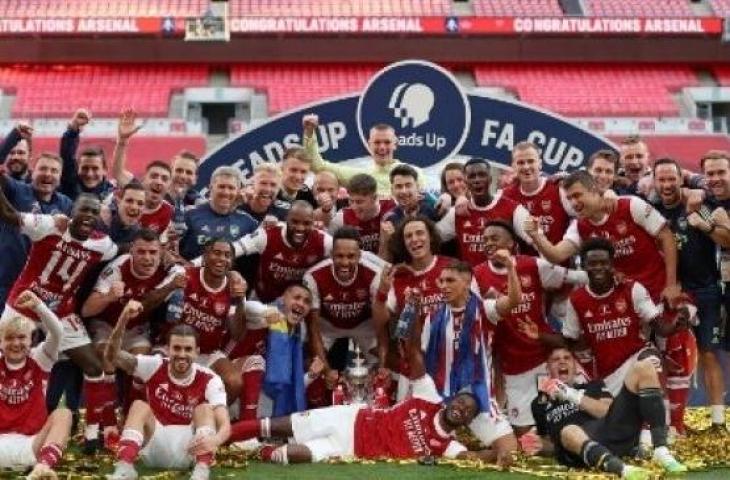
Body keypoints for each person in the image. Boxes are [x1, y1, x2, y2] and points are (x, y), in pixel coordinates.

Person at [227, 289, 509, 466]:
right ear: (451, 401)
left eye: (468, 411)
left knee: (294, 456)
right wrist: (414, 317)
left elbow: (471, 458)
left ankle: (259, 452)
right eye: (461, 402)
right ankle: (221, 440)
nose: (461, 408)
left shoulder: (448, 446)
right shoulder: (430, 398)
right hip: (352, 417)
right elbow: (414, 356)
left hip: (353, 447)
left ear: (468, 421)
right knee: (275, 425)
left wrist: (496, 455)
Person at [0, 191, 119, 451]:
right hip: (25, 303)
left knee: (93, 365)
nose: (87, 216)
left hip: (61, 311)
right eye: (83, 210)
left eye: (93, 211)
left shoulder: (104, 245)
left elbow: (121, 248)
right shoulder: (49, 225)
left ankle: (91, 436)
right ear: (71, 213)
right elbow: (9, 215)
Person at [473, 220, 587, 432]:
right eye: (485, 240)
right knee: (524, 433)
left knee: (573, 417)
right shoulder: (477, 275)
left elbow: (572, 278)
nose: (488, 243)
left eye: (494, 238)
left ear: (511, 243)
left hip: (546, 357)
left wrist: (610, 275)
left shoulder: (532, 265)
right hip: (513, 365)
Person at [652, 157, 730, 432]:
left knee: (709, 353)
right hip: (668, 294)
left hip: (705, 290)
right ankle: (668, 423)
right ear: (654, 182)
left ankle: (718, 422)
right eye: (661, 179)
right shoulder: (650, 210)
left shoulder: (699, 205)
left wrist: (704, 224)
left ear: (680, 179)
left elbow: (726, 238)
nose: (667, 184)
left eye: (671, 178)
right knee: (666, 359)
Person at [105, 311, 230, 480]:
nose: (182, 354)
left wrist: (216, 440)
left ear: (197, 352)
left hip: (189, 450)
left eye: (188, 349)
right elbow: (112, 356)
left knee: (205, 408)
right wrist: (123, 319)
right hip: (152, 446)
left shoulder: (209, 378)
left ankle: (201, 472)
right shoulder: (154, 365)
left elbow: (225, 424)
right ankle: (125, 468)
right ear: (167, 349)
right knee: (139, 406)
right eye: (177, 348)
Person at [526, 170, 681, 305]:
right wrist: (536, 235)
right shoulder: (580, 226)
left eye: (577, 195)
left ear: (594, 190)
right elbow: (556, 255)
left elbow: (666, 237)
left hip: (660, 291)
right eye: (569, 198)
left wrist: (672, 285)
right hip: (627, 301)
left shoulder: (630, 205)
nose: (574, 203)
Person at [530, 347, 686, 478]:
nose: (562, 361)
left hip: (610, 431)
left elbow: (606, 411)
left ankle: (661, 450)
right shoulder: (538, 404)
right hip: (578, 452)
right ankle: (622, 469)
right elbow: (551, 444)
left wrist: (572, 395)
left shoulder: (592, 387)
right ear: (547, 368)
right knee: (569, 430)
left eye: (567, 358)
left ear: (575, 366)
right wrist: (538, 445)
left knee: (644, 367)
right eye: (555, 359)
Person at [419, 258, 520, 459]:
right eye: (441, 281)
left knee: (510, 450)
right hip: (441, 398)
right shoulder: (432, 318)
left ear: (467, 282)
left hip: (478, 396)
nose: (444, 286)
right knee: (421, 447)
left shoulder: (485, 310)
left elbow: (513, 301)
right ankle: (471, 454)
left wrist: (510, 268)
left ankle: (470, 454)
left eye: (450, 281)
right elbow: (421, 359)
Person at [559, 238, 687, 396]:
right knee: (619, 418)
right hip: (608, 374)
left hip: (636, 356)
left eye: (603, 262)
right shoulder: (576, 300)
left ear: (611, 264)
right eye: (593, 263)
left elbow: (660, 327)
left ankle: (660, 420)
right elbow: (569, 340)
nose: (598, 267)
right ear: (584, 265)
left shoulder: (632, 289)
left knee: (651, 361)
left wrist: (675, 325)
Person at [373, 216, 453, 399]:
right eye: (408, 236)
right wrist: (382, 291)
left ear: (431, 237)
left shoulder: (452, 267)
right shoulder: (397, 277)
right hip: (413, 366)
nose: (414, 239)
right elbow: (380, 321)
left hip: (449, 362)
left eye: (419, 233)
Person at [0, 290, 72, 479]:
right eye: (9, 338)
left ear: (31, 340)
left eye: (22, 337)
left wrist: (39, 306)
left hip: (33, 447)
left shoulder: (40, 359)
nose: (16, 343)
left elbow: (58, 332)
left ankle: (43, 467)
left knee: (63, 414)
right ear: (1, 342)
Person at [172, 239, 247, 404]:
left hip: (208, 352)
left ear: (232, 262)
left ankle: (214, 417)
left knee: (234, 382)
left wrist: (240, 301)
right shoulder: (186, 276)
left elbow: (238, 335)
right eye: (217, 253)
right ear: (205, 256)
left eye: (227, 255)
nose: (222, 259)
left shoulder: (234, 288)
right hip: (175, 346)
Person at [303, 227, 383, 376]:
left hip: (363, 325)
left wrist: (383, 366)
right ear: (331, 255)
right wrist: (326, 371)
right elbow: (313, 327)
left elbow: (381, 326)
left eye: (351, 256)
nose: (345, 262)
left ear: (359, 256)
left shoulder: (374, 274)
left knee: (387, 362)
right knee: (310, 364)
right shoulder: (313, 276)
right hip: (328, 326)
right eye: (339, 256)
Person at [0, 150, 73, 310]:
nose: (48, 174)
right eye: (43, 169)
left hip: (40, 288)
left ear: (60, 177)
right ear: (33, 172)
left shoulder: (66, 204)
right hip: (7, 280)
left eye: (54, 171)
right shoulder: (17, 190)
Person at [226, 200, 332, 303]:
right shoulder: (268, 234)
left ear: (313, 223)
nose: (300, 228)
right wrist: (231, 273)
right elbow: (232, 249)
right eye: (295, 222)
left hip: (296, 305)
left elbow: (344, 255)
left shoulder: (323, 241)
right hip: (262, 301)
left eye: (307, 223)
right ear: (286, 219)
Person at [436, 157, 531, 267]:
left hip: (504, 279)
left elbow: (537, 239)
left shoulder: (513, 209)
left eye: (482, 175)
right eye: (472, 176)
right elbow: (431, 237)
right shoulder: (457, 212)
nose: (477, 180)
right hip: (471, 281)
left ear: (490, 179)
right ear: (466, 182)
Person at [303, 115, 422, 198]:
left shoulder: (413, 173)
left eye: (387, 142)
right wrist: (309, 133)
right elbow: (317, 166)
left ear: (395, 144)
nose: (381, 147)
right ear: (369, 145)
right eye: (377, 142)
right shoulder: (359, 177)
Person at [502, 141, 573, 248]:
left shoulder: (558, 188)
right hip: (521, 263)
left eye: (531, 161)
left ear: (540, 163)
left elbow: (585, 215)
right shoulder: (506, 195)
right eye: (520, 163)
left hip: (558, 263)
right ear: (513, 166)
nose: (526, 167)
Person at [179, 166, 258, 260]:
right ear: (210, 188)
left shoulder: (247, 222)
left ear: (238, 191)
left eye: (231, 188)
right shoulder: (189, 214)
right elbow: (171, 249)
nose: (226, 192)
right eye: (221, 186)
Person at [329, 173, 394, 254]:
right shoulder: (341, 219)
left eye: (359, 202)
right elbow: (331, 253)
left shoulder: (392, 209)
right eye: (351, 201)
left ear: (374, 198)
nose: (354, 207)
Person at [59, 109, 115, 201]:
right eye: (85, 168)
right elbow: (67, 156)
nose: (89, 174)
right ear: (77, 169)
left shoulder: (112, 195)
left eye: (95, 168)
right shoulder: (69, 187)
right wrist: (73, 130)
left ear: (105, 170)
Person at [99, 181, 146, 248]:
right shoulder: (101, 220)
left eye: (140, 204)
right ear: (118, 202)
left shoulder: (137, 233)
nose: (134, 207)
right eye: (129, 201)